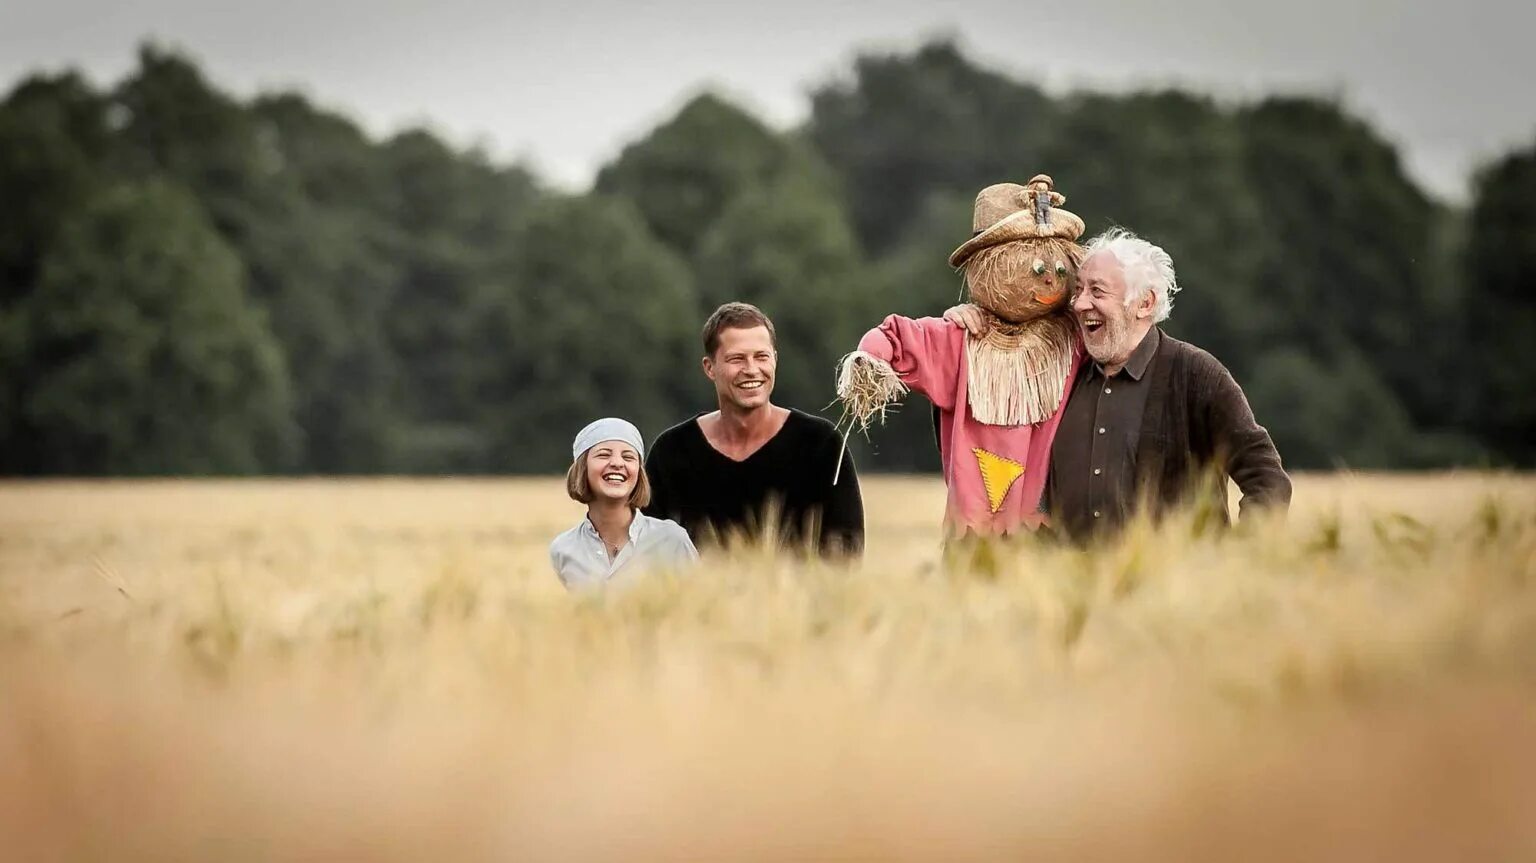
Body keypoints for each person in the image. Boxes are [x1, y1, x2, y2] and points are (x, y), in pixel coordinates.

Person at [945, 227, 1291, 541]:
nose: (1080, 304)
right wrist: (973, 325)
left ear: (1145, 303)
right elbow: (997, 361)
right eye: (1078, 290)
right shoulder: (1059, 371)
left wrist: (1239, 563)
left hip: (1174, 598)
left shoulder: (1197, 374)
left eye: (1097, 291)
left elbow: (1266, 478)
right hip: (1074, 598)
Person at [835, 175, 1083, 537]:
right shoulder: (962, 339)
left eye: (1060, 270)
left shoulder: (1074, 339)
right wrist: (869, 363)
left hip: (1052, 532)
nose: (1050, 281)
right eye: (1036, 269)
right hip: (976, 532)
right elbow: (898, 337)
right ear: (989, 266)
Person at [644, 302, 864, 557]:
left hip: (798, 597)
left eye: (761, 356)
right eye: (736, 359)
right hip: (696, 597)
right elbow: (646, 554)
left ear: (775, 360)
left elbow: (846, 553)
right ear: (709, 368)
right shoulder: (672, 452)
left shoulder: (821, 444)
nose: (751, 369)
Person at [549, 417, 697, 591]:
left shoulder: (672, 540)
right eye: (603, 455)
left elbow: (701, 609)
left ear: (639, 473)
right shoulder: (562, 550)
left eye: (628, 457)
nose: (617, 463)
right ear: (583, 468)